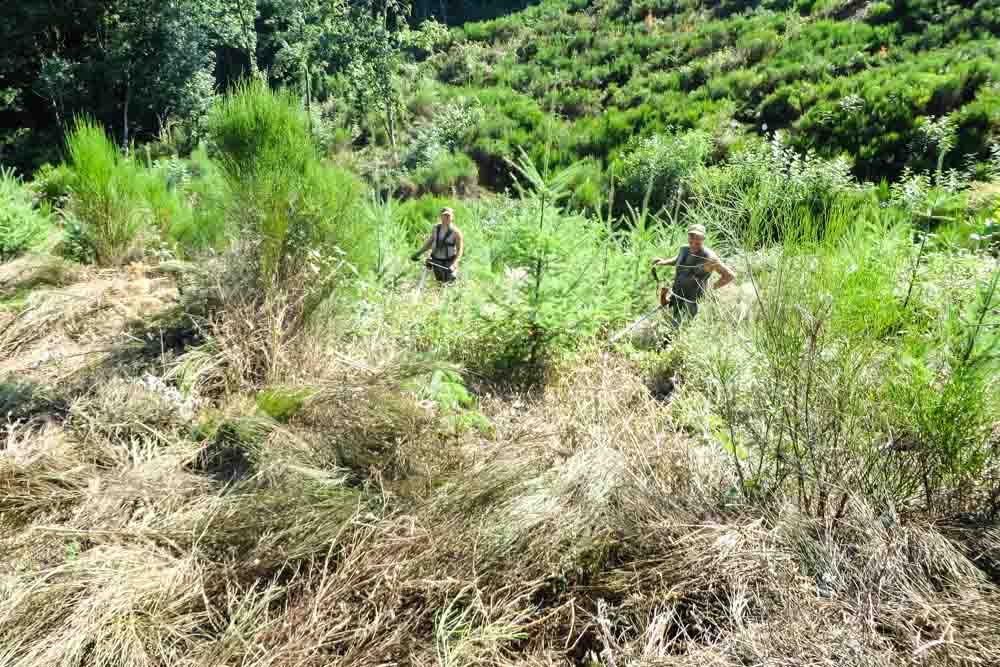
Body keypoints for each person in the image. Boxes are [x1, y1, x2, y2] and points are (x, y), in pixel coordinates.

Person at [652, 224, 736, 328]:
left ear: (703, 238)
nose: (694, 240)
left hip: (691, 301)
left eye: (698, 237)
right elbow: (677, 260)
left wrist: (709, 289)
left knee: (676, 329)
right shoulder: (684, 250)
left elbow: (729, 276)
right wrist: (663, 262)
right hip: (676, 295)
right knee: (668, 323)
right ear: (688, 236)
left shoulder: (709, 258)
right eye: (691, 236)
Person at [411, 207, 464, 283]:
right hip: (436, 260)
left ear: (452, 217)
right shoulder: (435, 228)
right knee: (440, 282)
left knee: (450, 282)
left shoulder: (456, 233)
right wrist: (418, 253)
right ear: (441, 216)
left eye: (448, 216)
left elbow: (460, 251)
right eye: (444, 215)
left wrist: (454, 264)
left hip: (449, 262)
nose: (446, 218)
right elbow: (429, 243)